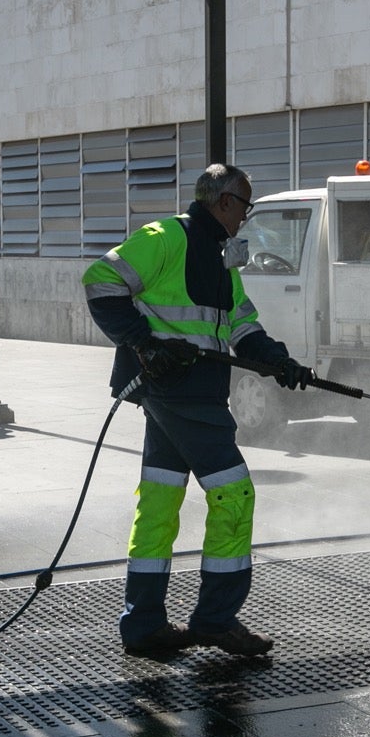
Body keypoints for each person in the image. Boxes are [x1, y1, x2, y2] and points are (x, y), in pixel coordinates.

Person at [82, 164, 313, 659]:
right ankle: (215, 619)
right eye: (246, 207)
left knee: (160, 502)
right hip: (178, 394)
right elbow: (101, 280)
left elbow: (241, 324)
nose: (246, 219)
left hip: (190, 395)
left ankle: (143, 625)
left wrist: (279, 362)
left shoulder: (218, 258)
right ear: (225, 202)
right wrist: (145, 344)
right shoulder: (166, 237)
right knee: (235, 492)